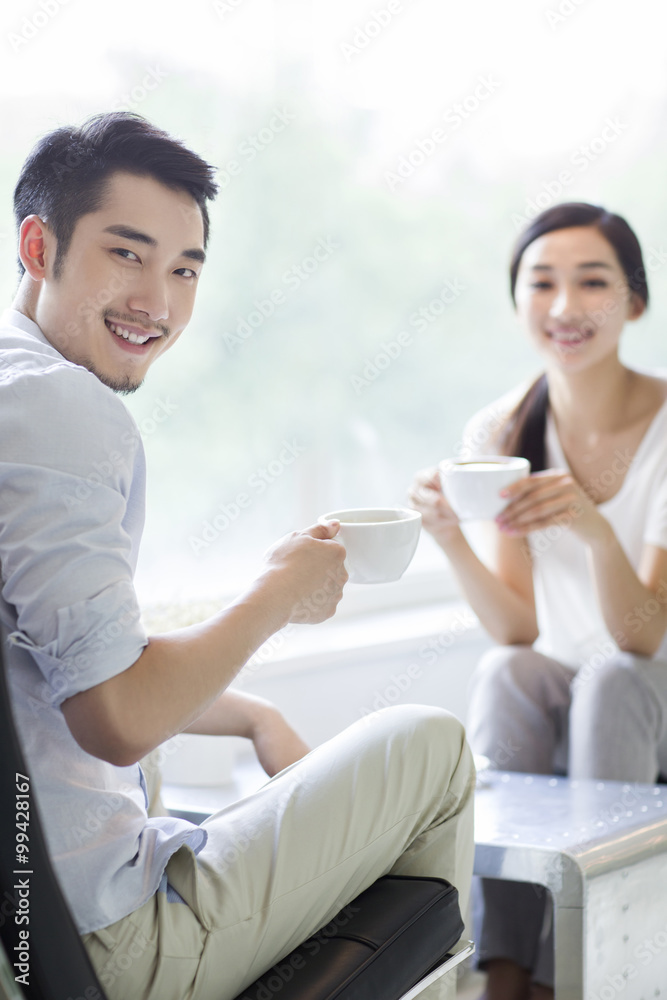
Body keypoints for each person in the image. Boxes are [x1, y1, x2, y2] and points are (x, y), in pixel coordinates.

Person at [0, 111, 475, 1000]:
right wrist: (277, 594)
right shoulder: (59, 411)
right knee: (434, 749)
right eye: (126, 254)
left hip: (30, 917)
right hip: (99, 938)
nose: (159, 302)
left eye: (184, 269)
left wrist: (251, 713)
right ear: (38, 245)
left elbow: (65, 673)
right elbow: (115, 717)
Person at [408, 202, 667, 1000]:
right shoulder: (498, 427)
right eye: (540, 283)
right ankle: (504, 972)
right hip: (570, 686)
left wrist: (592, 530)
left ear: (633, 301)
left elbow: (639, 637)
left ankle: (588, 972)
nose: (562, 306)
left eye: (591, 282)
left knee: (610, 681)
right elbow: (516, 627)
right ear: (517, 301)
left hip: (644, 686)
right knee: (505, 672)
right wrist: (449, 535)